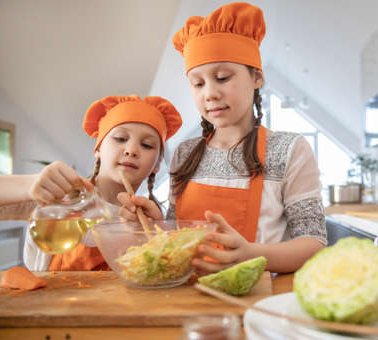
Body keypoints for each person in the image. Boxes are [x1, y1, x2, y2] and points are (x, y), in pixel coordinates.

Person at [121, 2, 327, 275]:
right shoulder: (185, 153)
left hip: (258, 298)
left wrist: (250, 254)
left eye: (222, 77)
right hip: (186, 297)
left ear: (257, 78)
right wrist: (157, 224)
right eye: (198, 83)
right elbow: (177, 235)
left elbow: (313, 244)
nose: (210, 93)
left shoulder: (289, 149)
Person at [0, 95, 182, 271]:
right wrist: (28, 185)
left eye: (147, 145)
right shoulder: (62, 198)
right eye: (120, 138)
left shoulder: (151, 220)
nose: (132, 150)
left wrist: (154, 238)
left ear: (157, 164)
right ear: (98, 148)